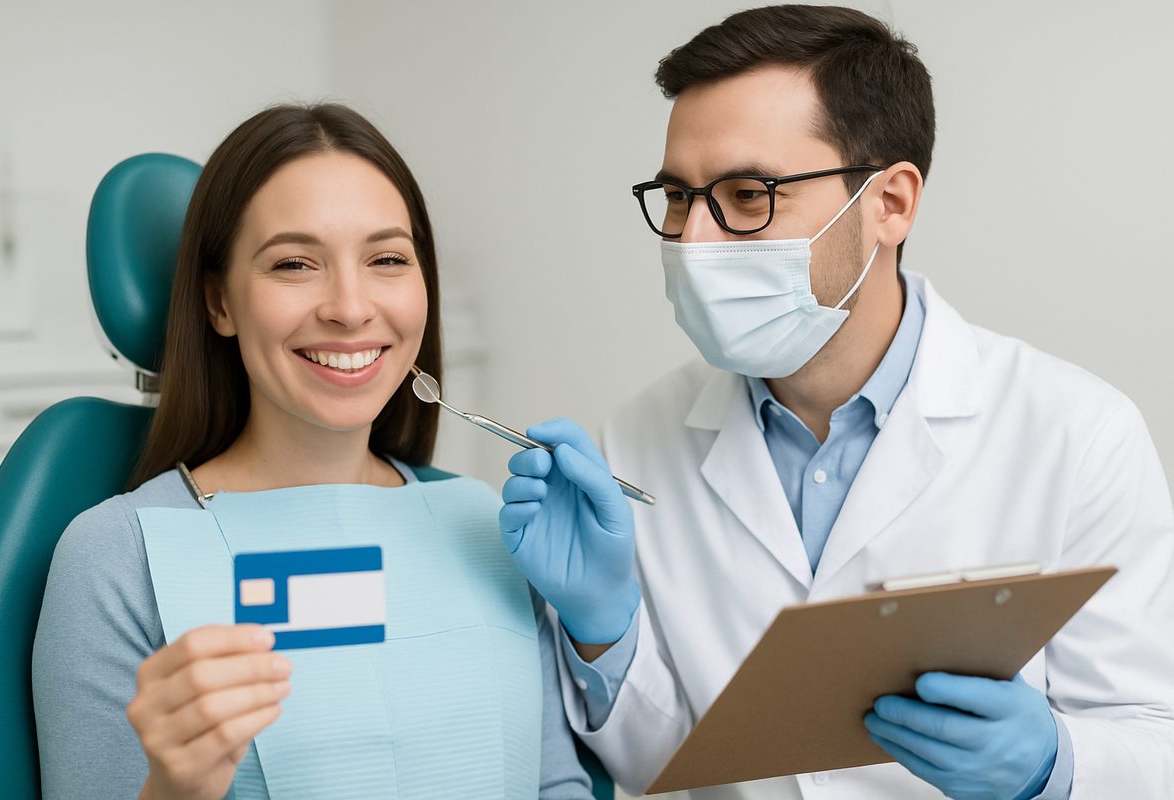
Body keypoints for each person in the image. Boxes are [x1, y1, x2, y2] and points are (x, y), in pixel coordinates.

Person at [499, 6, 1174, 799]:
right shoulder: (636, 442)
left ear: (890, 203)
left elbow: (1153, 738)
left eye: (749, 196)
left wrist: (1054, 767)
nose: (693, 243)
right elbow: (663, 768)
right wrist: (603, 633)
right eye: (679, 198)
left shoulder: (1076, 433)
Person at [32, 103, 593, 800]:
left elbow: (557, 786)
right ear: (219, 303)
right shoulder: (116, 557)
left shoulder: (484, 525)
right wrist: (172, 789)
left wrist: (602, 626)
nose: (350, 307)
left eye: (387, 258)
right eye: (295, 264)